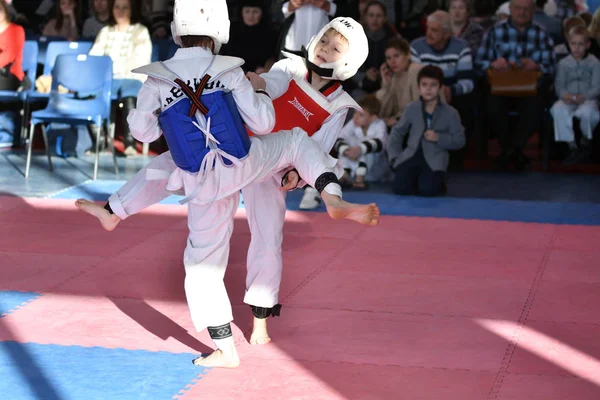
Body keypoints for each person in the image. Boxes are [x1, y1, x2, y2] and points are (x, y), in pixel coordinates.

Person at [76, 1, 379, 368]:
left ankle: (258, 322)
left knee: (265, 236)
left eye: (336, 47)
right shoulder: (288, 65)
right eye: (325, 40)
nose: (326, 48)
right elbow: (272, 86)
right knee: (168, 166)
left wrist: (297, 177)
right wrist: (257, 84)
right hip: (250, 148)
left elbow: (323, 147)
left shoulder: (340, 105)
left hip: (269, 167)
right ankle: (332, 194)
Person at [388, 65, 466, 196]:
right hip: (410, 156)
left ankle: (436, 180)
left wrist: (438, 138)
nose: (428, 89)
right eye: (424, 84)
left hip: (434, 159)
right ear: (419, 87)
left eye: (433, 85)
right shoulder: (411, 108)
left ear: (440, 87)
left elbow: (460, 140)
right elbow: (397, 133)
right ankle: (415, 179)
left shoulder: (451, 113)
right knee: (400, 189)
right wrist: (394, 157)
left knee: (428, 190)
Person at [89, 0, 152, 156]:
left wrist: (115, 68)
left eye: (125, 7)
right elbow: (94, 57)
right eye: (117, 7)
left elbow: (141, 60)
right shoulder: (105, 32)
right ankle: (100, 142)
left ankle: (129, 142)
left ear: (131, 10)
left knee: (129, 91)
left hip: (131, 77)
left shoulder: (140, 31)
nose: (121, 11)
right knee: (88, 93)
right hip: (107, 79)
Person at [550, 25, 600, 164]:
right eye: (573, 44)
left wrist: (583, 97)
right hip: (568, 98)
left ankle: (585, 141)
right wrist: (566, 96)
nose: (577, 48)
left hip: (588, 99)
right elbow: (559, 86)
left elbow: (597, 87)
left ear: (588, 45)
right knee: (557, 109)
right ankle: (572, 146)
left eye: (580, 44)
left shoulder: (595, 63)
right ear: (568, 44)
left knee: (588, 112)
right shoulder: (563, 63)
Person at [334, 95, 388, 188]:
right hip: (353, 161)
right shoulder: (353, 123)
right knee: (346, 145)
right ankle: (345, 175)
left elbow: (380, 143)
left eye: (361, 115)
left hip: (373, 169)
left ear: (373, 118)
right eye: (355, 113)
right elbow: (340, 137)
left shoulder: (380, 125)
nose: (355, 117)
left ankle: (360, 179)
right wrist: (347, 151)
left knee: (367, 149)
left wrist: (360, 149)